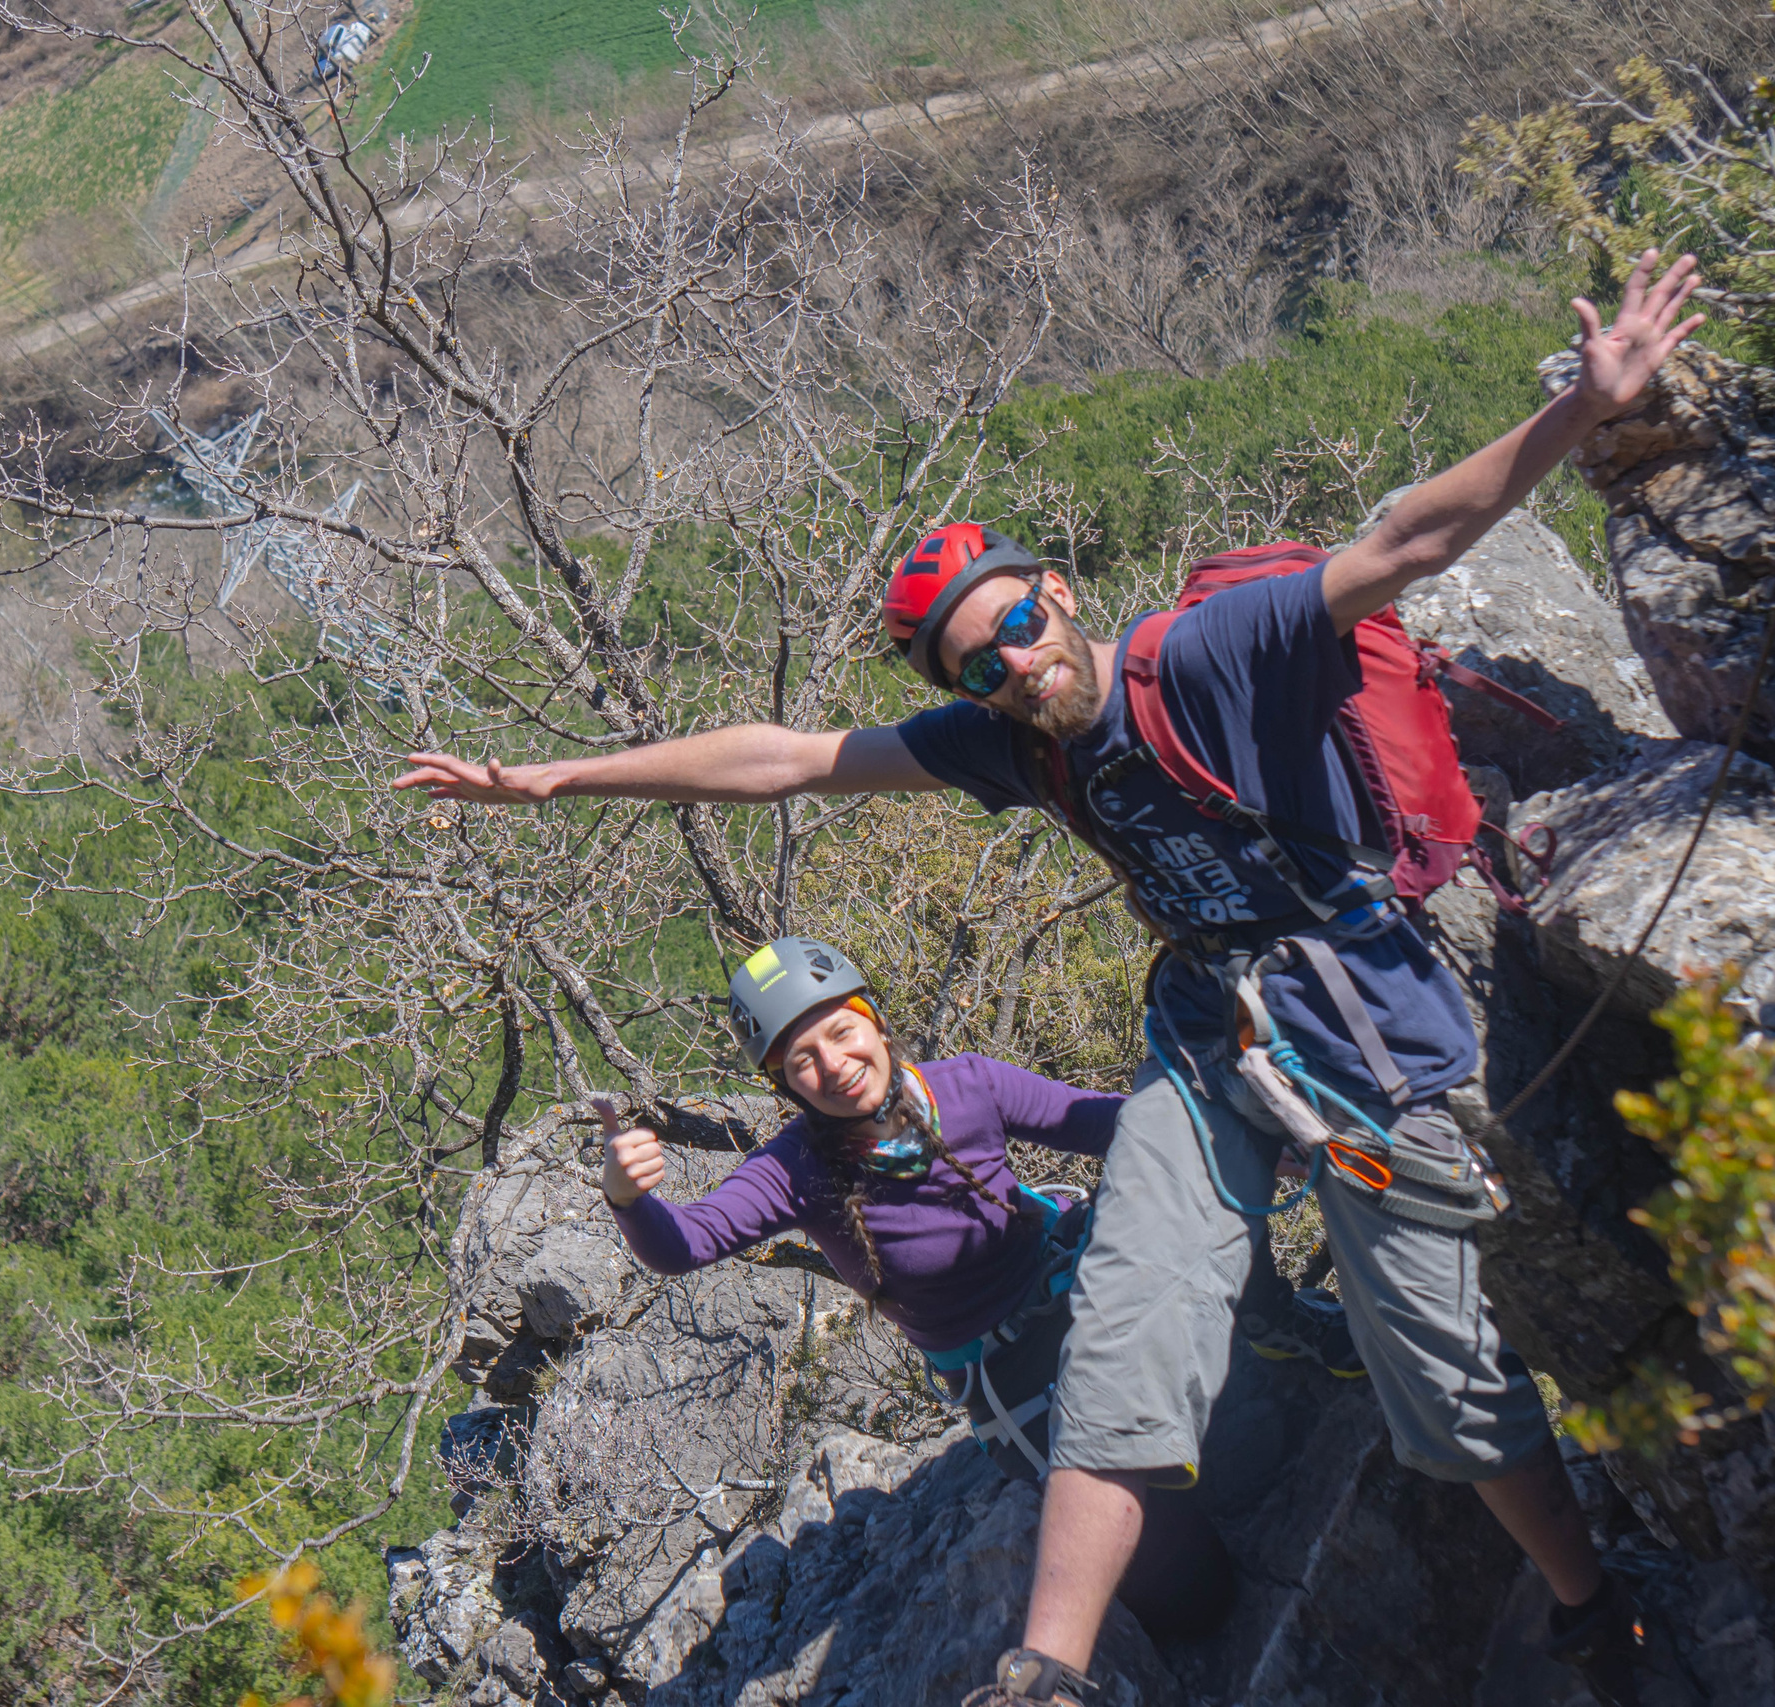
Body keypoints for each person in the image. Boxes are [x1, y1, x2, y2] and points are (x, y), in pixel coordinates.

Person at [397, 251, 1708, 1706]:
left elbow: (1401, 540)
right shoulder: (1011, 742)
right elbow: (788, 758)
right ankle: (1045, 1675)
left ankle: (1591, 1598)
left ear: (1057, 593)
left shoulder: (1204, 655)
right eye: (978, 665)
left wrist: (1581, 413)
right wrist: (558, 777)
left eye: (1019, 625)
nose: (1015, 666)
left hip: (1357, 1016)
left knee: (1438, 1373)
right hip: (1213, 1030)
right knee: (1131, 1317)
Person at [595, 933, 1254, 1639]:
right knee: (1193, 1595)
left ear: (874, 1019)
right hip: (1013, 1372)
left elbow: (1100, 1123)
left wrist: (1239, 1106)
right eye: (803, 1062)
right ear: (786, 1085)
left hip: (1085, 1275)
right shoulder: (794, 1170)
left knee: (1246, 1410)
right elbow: (685, 1242)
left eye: (842, 1032)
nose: (835, 1066)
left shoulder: (967, 1085)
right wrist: (628, 1197)